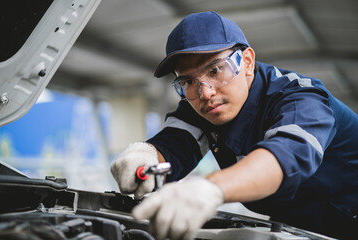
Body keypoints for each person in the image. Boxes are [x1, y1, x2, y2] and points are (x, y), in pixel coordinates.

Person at [111, 11, 358, 240]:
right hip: (295, 226)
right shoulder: (202, 103)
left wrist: (210, 188)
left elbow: (284, 158)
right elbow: (176, 143)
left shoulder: (301, 100)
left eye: (216, 70)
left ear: (247, 62)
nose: (205, 92)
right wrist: (146, 155)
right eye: (187, 81)